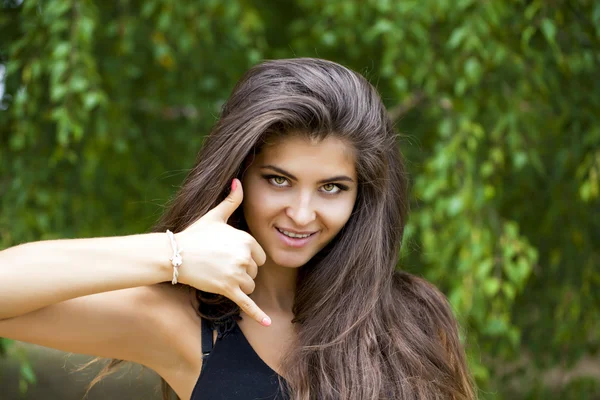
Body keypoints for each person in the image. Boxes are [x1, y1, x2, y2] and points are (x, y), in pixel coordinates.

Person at [0, 58, 475, 400]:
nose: (303, 214)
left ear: (361, 196)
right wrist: (173, 253)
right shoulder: (180, 324)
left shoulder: (414, 321)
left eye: (332, 188)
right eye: (279, 180)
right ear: (239, 174)